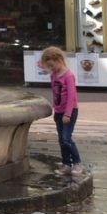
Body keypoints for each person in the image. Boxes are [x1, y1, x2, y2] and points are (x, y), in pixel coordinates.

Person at [38, 45, 83, 176]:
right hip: (59, 112)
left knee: (66, 138)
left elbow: (71, 97)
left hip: (69, 112)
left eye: (52, 65)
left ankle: (77, 162)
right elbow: (56, 94)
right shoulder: (53, 75)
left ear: (59, 60)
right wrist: (56, 111)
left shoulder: (68, 76)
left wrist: (67, 113)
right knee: (61, 139)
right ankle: (66, 164)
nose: (51, 69)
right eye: (49, 66)